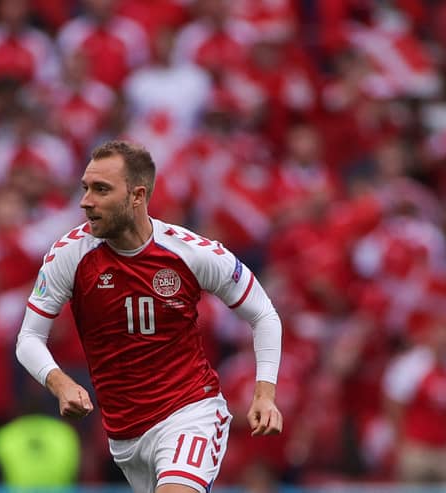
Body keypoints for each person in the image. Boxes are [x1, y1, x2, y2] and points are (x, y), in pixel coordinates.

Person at [16, 140, 283, 493]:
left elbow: (263, 313)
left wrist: (264, 393)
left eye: (101, 190)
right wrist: (60, 383)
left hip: (191, 412)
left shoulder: (191, 253)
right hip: (126, 435)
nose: (86, 201)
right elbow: (28, 338)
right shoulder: (69, 256)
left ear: (137, 196)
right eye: (85, 188)